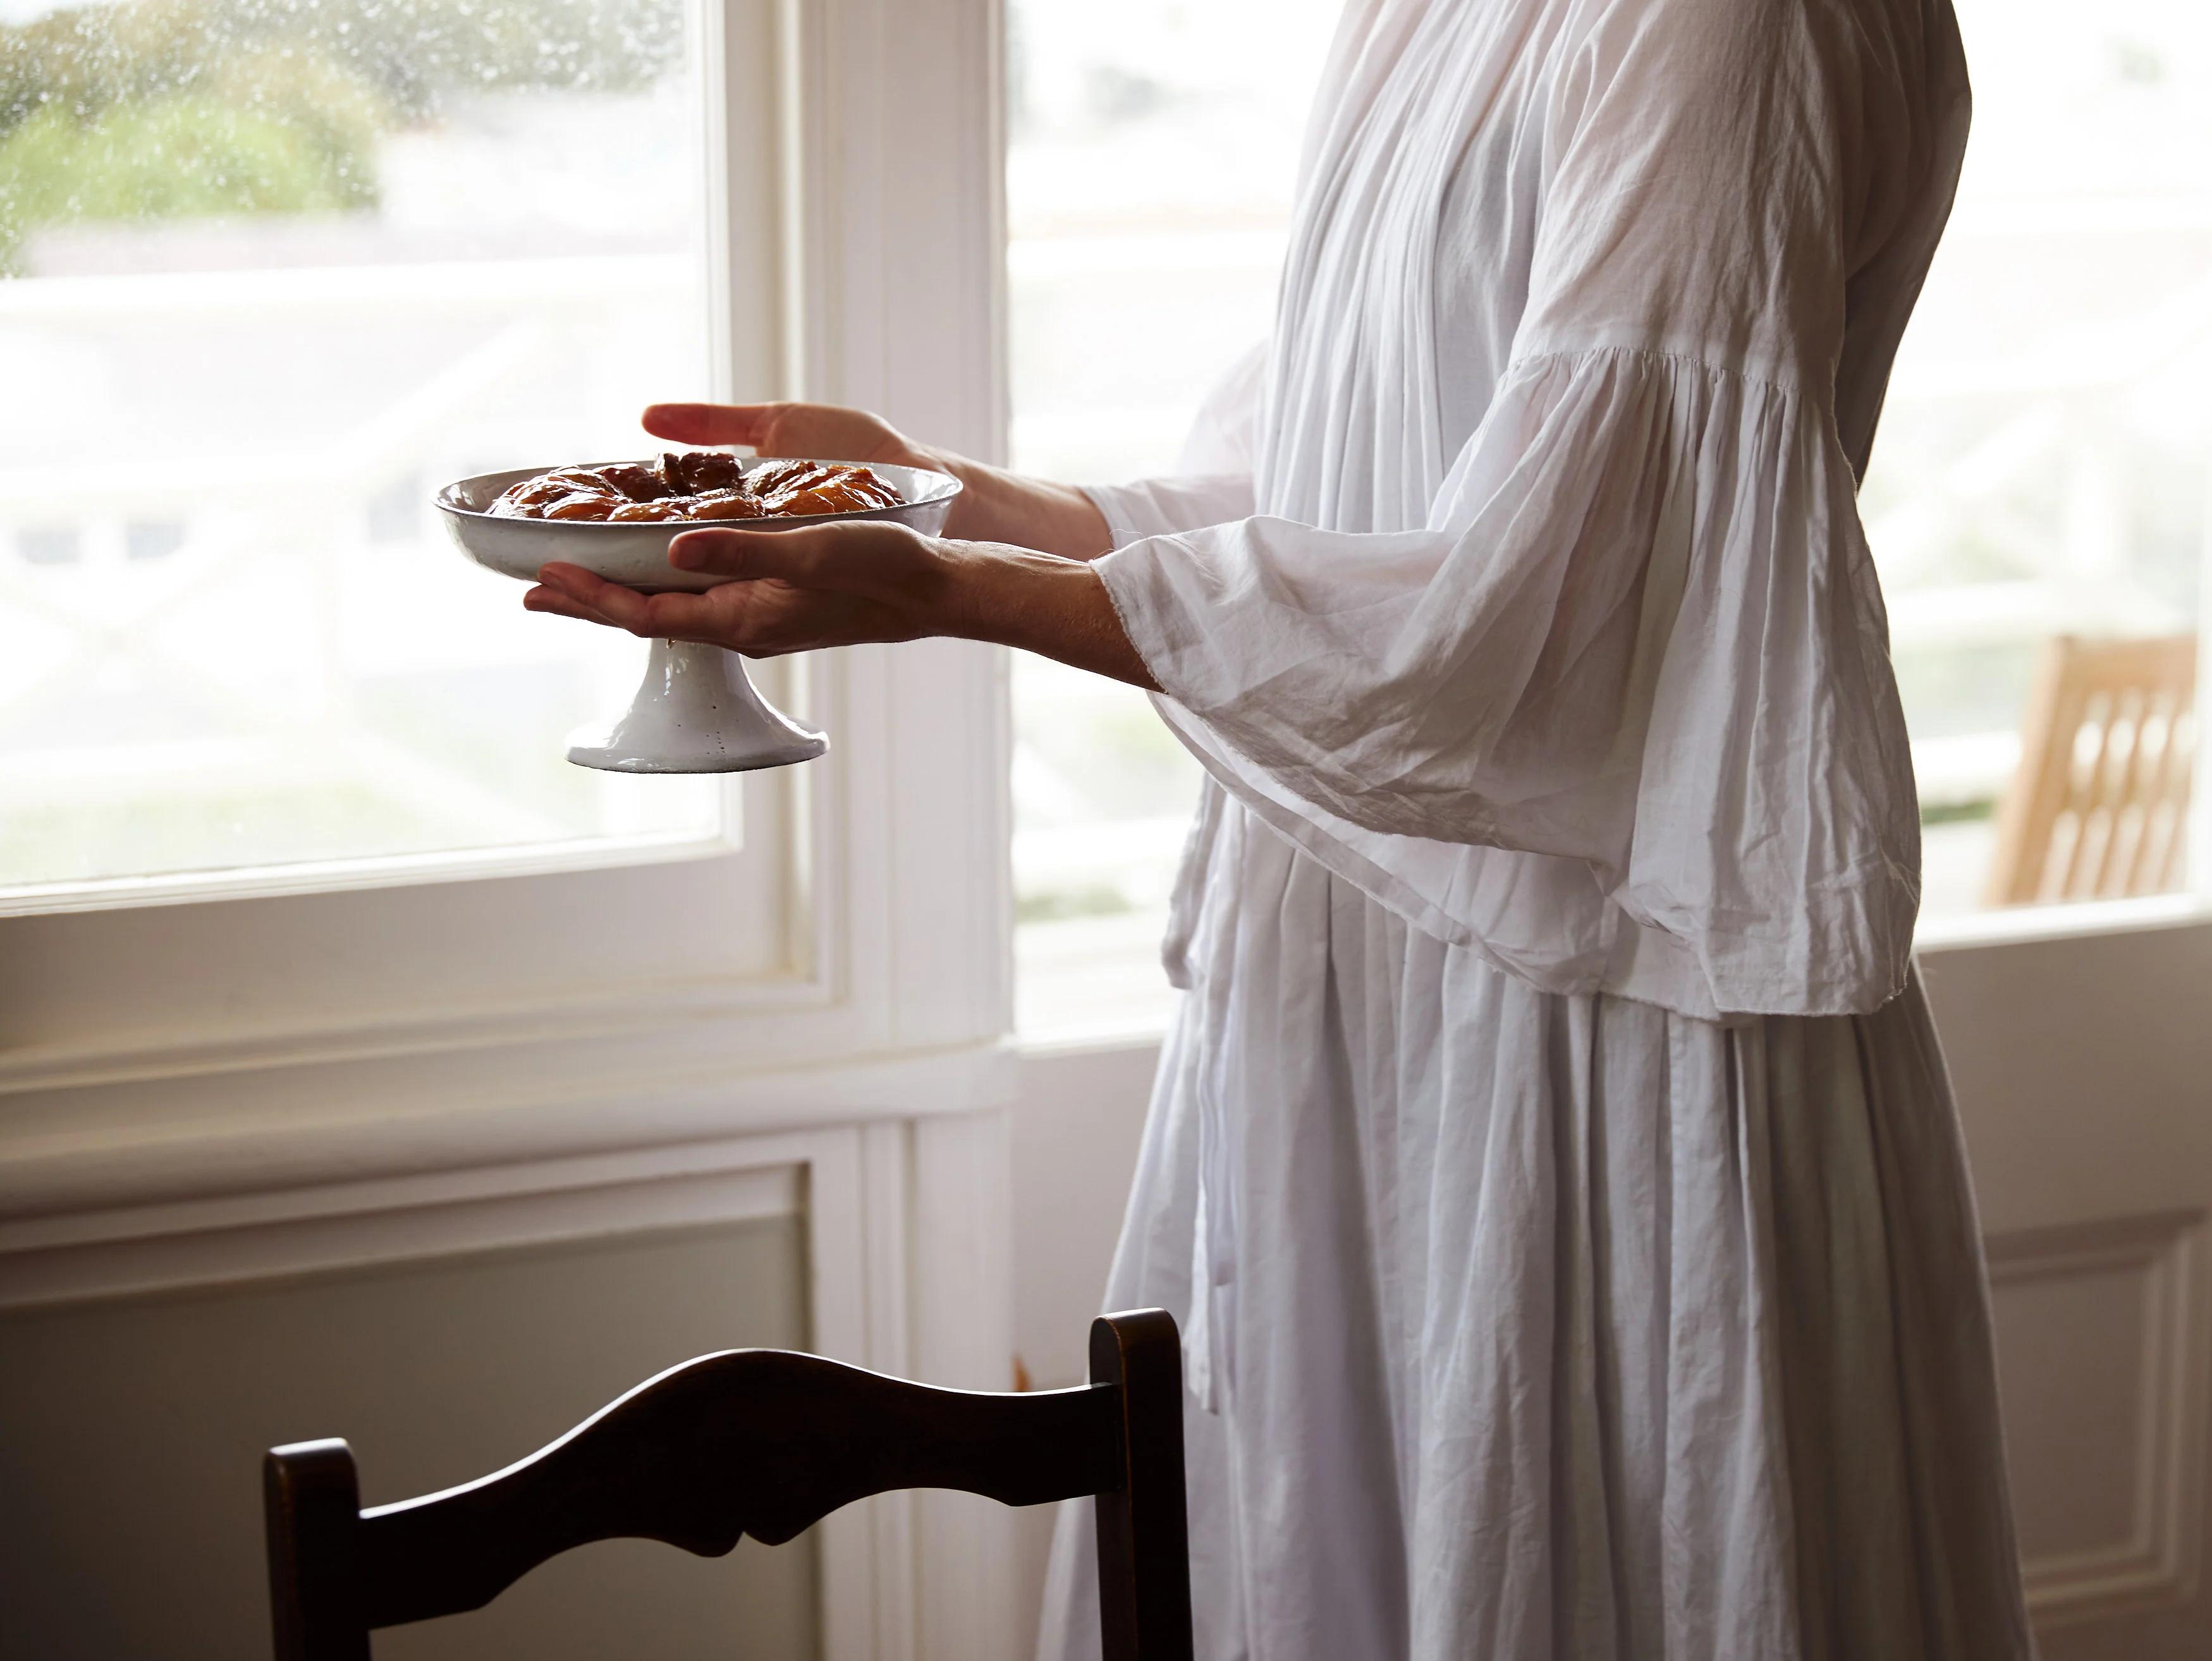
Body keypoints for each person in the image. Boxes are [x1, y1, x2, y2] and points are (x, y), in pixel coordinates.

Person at [527, 0, 2035, 1653]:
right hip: (1352, 976)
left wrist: (957, 589)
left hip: (1597, 1004)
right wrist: (939, 501)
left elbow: (1532, 615)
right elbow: (1329, 490)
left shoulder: (1729, 26)